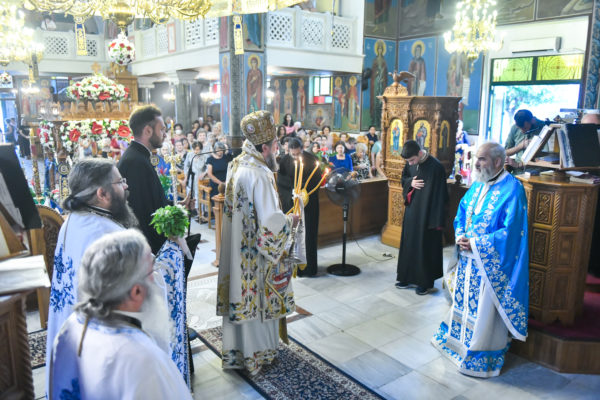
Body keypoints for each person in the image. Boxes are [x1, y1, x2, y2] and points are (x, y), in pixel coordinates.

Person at [49, 230, 192, 399]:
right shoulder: (144, 361)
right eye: (151, 271)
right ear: (136, 291)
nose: (154, 279)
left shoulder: (70, 326)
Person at [432, 142, 529, 378]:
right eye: (477, 158)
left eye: (482, 159)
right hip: (467, 260)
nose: (476, 163)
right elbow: (462, 212)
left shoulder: (513, 189)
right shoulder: (478, 184)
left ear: (498, 162)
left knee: (483, 312)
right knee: (463, 304)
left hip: (487, 264)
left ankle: (478, 352)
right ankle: (456, 342)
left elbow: (512, 232)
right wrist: (460, 235)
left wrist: (476, 243)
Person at [217, 110, 300, 375]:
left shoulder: (236, 164)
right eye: (275, 145)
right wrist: (291, 221)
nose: (277, 150)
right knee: (257, 301)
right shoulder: (261, 174)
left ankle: (239, 354)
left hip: (236, 250)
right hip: (254, 258)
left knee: (239, 295)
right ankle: (258, 356)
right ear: (264, 147)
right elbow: (269, 224)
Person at [45, 158, 138, 395]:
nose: (126, 186)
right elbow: (139, 294)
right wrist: (172, 255)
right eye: (120, 181)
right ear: (102, 193)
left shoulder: (73, 221)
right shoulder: (107, 234)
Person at [396, 140, 448, 295]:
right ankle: (406, 277)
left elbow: (441, 196)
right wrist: (410, 182)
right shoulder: (410, 163)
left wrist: (437, 220)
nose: (410, 164)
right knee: (409, 244)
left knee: (424, 248)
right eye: (408, 161)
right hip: (412, 212)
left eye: (412, 160)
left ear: (419, 153)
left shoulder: (436, 167)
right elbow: (404, 179)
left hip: (428, 215)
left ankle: (424, 283)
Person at [118, 105, 169, 254]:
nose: (165, 134)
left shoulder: (139, 156)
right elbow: (142, 213)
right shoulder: (136, 162)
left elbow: (150, 199)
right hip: (146, 248)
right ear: (148, 131)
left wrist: (174, 205)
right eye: (162, 129)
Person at [277, 137, 322, 276]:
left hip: (308, 206)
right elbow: (281, 181)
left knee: (308, 235)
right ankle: (293, 268)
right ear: (288, 151)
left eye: (298, 154)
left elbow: (316, 180)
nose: (295, 157)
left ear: (302, 149)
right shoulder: (284, 161)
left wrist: (303, 192)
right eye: (293, 154)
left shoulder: (312, 160)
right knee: (293, 235)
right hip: (292, 204)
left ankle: (309, 268)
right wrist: (293, 192)